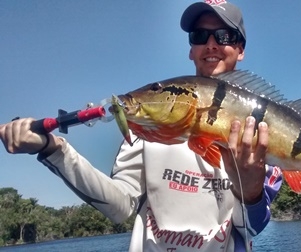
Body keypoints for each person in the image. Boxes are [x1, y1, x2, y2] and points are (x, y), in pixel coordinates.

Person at [0, 1, 282, 251]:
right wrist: (54, 150)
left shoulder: (262, 133)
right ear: (191, 51)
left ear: (240, 49)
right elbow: (120, 207)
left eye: (224, 36)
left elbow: (251, 228)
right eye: (199, 36)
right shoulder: (147, 128)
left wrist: (252, 189)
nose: (211, 44)